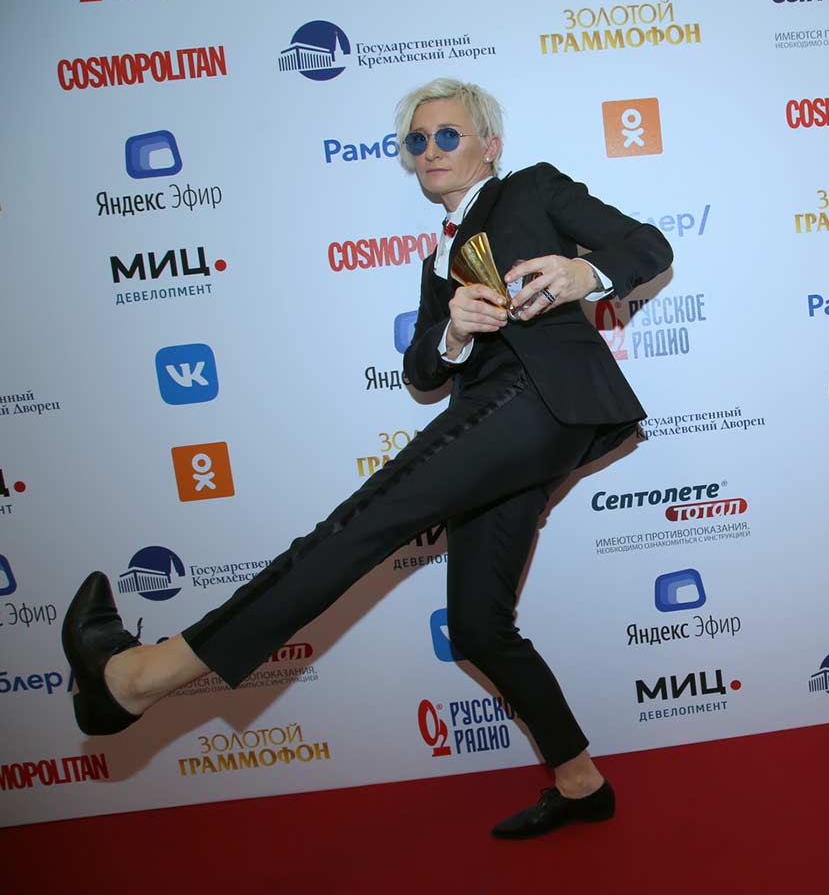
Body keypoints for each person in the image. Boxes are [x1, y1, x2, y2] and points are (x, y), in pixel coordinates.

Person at [61, 78, 672, 839]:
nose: (430, 150)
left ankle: (139, 676)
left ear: (489, 146)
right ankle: (582, 786)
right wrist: (454, 331)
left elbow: (648, 244)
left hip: (540, 399)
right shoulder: (438, 261)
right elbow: (423, 373)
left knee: (363, 523)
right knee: (478, 627)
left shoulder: (531, 190)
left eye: (447, 135)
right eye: (417, 140)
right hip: (507, 426)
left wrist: (585, 274)